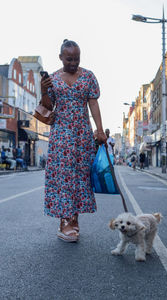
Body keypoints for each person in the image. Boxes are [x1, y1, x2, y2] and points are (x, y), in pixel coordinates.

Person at [41, 39, 107, 242]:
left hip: (82, 134)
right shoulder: (52, 78)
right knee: (62, 177)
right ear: (61, 57)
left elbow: (93, 103)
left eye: (76, 58)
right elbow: (47, 106)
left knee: (80, 176)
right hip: (61, 134)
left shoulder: (88, 76)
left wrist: (99, 129)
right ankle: (64, 221)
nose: (73, 62)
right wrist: (43, 90)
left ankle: (74, 220)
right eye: (69, 59)